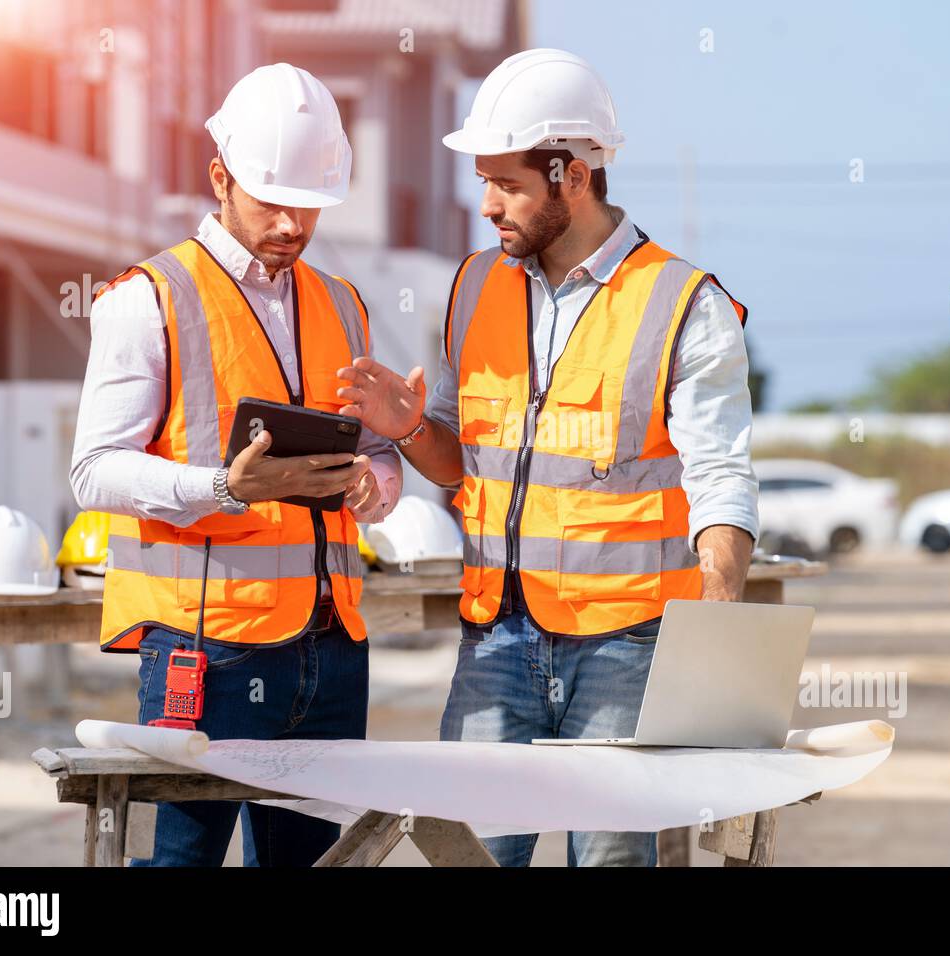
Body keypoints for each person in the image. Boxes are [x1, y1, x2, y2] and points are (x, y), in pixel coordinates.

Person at [332, 49, 758, 866]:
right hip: (493, 635)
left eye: (508, 183)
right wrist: (410, 426)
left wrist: (718, 640)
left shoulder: (684, 305)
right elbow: (465, 467)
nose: (487, 204)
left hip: (626, 646)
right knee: (471, 856)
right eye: (482, 180)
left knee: (608, 861)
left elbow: (721, 478)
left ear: (570, 175)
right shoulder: (472, 287)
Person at [69, 63, 401, 866]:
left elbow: (382, 456)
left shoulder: (342, 302)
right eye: (272, 201)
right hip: (201, 656)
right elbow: (92, 472)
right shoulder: (149, 297)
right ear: (219, 178)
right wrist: (224, 487)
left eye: (309, 205)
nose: (292, 223)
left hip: (330, 653)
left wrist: (376, 482)